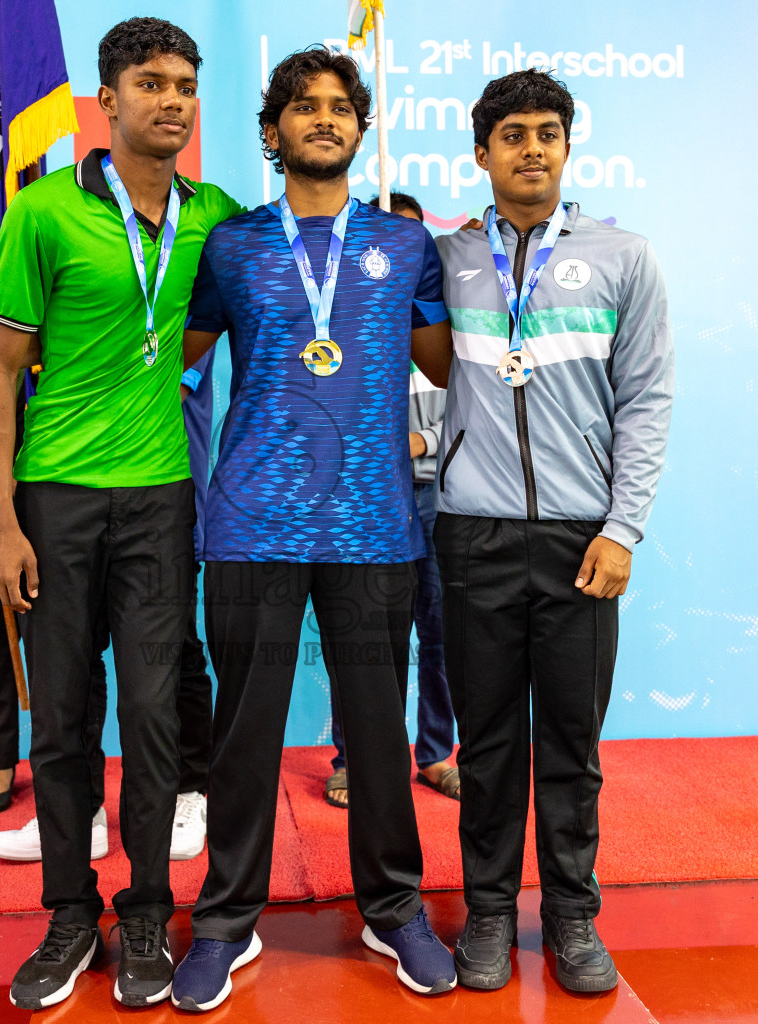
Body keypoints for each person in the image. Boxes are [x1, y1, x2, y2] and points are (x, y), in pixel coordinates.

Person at [167, 48, 456, 1013]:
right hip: (252, 522)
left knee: (377, 735)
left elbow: (448, 364)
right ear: (273, 130)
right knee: (244, 737)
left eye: (340, 107)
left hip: (375, 526)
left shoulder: (407, 247)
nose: (323, 119)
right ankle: (225, 921)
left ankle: (394, 908)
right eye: (303, 106)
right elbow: (172, 360)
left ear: (361, 130)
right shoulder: (231, 245)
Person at [0, 18, 242, 1010]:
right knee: (64, 717)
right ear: (108, 99)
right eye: (150, 83)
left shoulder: (215, 215)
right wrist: (3, 520)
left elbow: (206, 326)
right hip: (55, 499)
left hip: (161, 498)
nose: (171, 100)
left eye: (185, 85)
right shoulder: (43, 213)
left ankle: (147, 913)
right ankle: (68, 913)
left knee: (154, 715)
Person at [433, 69, 673, 994]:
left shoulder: (624, 256)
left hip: (582, 543)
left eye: (547, 132)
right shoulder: (447, 258)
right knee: (488, 745)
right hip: (474, 535)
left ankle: (572, 917)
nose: (531, 148)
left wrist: (624, 528)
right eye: (513, 134)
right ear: (481, 151)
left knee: (572, 744)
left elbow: (645, 401)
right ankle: (489, 913)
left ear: (568, 146)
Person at [0, 345, 218, 864]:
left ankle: (187, 792)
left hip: (158, 504)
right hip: (68, 503)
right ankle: (79, 811)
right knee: (74, 662)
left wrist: (43, 357)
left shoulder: (171, 310)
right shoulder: (58, 324)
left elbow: (142, 390)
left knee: (172, 657)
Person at [325, 192, 458, 811]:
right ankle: (355, 759)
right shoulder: (342, 324)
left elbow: (474, 409)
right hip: (368, 503)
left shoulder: (440, 326)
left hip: (434, 497)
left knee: (440, 634)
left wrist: (419, 440)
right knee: (363, 640)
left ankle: (434, 754)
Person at [0, 351, 109, 830]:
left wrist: (17, 481)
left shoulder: (64, 336)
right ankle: (0, 762)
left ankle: (78, 787)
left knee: (68, 656)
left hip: (58, 512)